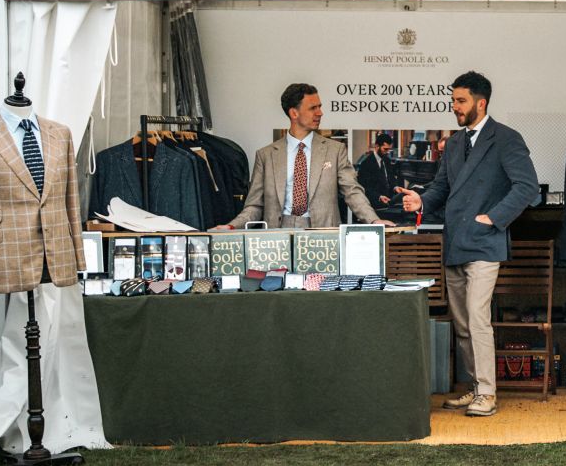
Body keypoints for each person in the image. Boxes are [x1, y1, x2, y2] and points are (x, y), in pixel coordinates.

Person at [400, 71, 540, 419]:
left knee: (477, 318)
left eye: (460, 101)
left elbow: (527, 187)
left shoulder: (506, 138)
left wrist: (494, 217)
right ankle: (476, 387)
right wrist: (421, 201)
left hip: (485, 243)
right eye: (453, 100)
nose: (454, 107)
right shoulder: (454, 144)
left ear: (481, 103)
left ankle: (488, 393)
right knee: (462, 324)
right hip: (456, 243)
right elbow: (442, 187)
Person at [220, 84, 383, 230]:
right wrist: (232, 226)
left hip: (323, 236)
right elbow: (254, 205)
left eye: (320, 107)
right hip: (278, 237)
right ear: (294, 113)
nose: (320, 113)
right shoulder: (265, 155)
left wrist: (374, 221)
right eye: (313, 108)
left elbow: (352, 192)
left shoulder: (336, 150)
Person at [356, 133, 398, 217]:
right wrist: (379, 196)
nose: (387, 152)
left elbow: (391, 178)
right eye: (385, 149)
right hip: (375, 205)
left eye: (389, 149)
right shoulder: (366, 164)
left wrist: (395, 187)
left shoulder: (387, 160)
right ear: (377, 146)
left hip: (389, 203)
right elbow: (364, 187)